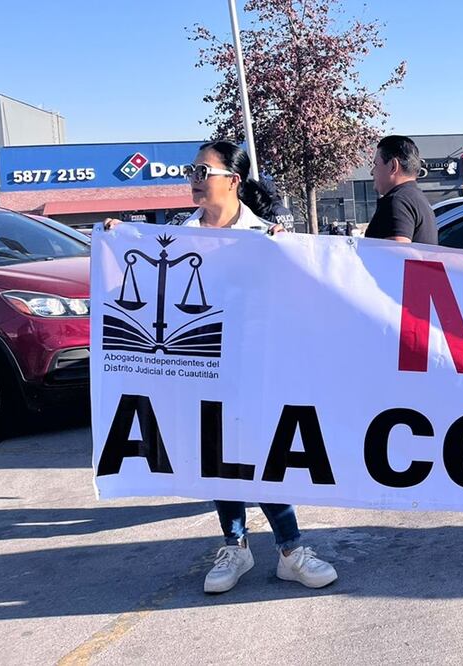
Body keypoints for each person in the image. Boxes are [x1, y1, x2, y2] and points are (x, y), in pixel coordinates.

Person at [105, 140, 338, 592]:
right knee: (215, 456)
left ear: (233, 180)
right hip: (199, 369)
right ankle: (235, 545)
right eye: (191, 171)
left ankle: (290, 550)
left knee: (264, 456)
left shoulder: (265, 236)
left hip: (255, 369)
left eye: (203, 172)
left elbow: (301, 301)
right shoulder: (177, 236)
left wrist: (288, 255)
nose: (193, 180)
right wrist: (117, 242)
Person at [366, 135, 438, 244]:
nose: (372, 172)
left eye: (376, 164)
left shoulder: (397, 201)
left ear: (393, 166)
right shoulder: (415, 198)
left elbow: (397, 251)